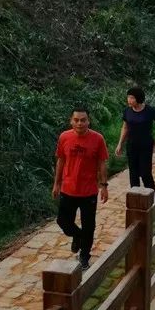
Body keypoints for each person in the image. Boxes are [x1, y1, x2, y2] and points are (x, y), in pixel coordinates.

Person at [53, 107, 109, 270]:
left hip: (88, 190)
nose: (79, 123)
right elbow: (61, 161)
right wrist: (57, 183)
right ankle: (77, 235)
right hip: (68, 188)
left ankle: (84, 255)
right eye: (76, 120)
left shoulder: (97, 139)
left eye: (83, 120)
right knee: (62, 221)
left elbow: (102, 163)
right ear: (71, 121)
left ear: (88, 121)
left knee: (89, 225)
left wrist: (104, 186)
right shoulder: (64, 137)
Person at [115, 87, 155, 191]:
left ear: (138, 98)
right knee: (133, 172)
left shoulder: (149, 110)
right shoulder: (127, 111)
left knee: (145, 172)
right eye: (128, 97)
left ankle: (151, 191)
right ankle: (135, 193)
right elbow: (125, 127)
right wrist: (120, 144)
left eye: (132, 98)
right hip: (131, 145)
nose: (129, 100)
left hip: (145, 145)